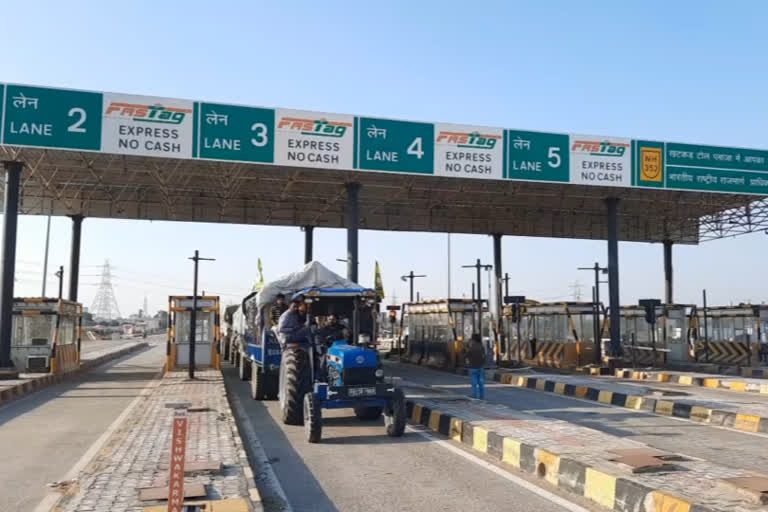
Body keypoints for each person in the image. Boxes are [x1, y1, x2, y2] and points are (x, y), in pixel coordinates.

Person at [466, 334, 486, 399]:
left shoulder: (472, 347)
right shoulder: (482, 346)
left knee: (474, 383)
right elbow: (484, 356)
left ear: (473, 340)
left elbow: (466, 355)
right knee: (481, 382)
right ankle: (482, 396)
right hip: (481, 367)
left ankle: (474, 395)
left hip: (473, 367)